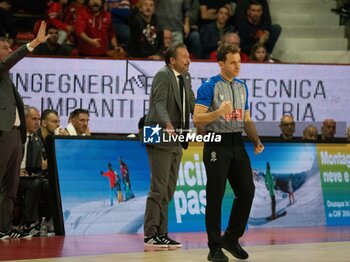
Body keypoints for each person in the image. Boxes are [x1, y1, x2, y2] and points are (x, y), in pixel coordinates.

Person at [193, 43, 264, 261]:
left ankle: (231, 237)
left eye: (239, 62)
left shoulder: (242, 86)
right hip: (217, 142)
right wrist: (218, 112)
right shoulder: (209, 86)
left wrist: (255, 139)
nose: (237, 66)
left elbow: (247, 118)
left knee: (247, 191)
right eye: (232, 62)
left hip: (237, 142)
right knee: (215, 195)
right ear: (221, 63)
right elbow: (197, 118)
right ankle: (214, 247)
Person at [0, 21, 49, 239]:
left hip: (14, 135)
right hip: (2, 133)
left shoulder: (6, 77)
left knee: (10, 187)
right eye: (4, 47)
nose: (9, 50)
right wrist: (33, 44)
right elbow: (10, 60)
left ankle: (5, 228)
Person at [143, 42, 195, 248]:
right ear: (172, 60)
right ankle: (150, 234)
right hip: (158, 132)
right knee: (158, 187)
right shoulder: (163, 75)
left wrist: (203, 117)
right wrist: (167, 123)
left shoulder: (187, 77)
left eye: (188, 55)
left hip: (177, 135)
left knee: (169, 189)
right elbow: (159, 103)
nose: (188, 59)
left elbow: (191, 102)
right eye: (184, 56)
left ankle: (162, 233)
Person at [18, 106, 46, 236]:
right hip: (11, 175)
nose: (37, 122)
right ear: (24, 119)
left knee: (50, 185)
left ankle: (49, 223)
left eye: (38, 119)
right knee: (35, 184)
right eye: (34, 119)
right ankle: (30, 223)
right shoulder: (14, 135)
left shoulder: (36, 139)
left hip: (29, 176)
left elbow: (37, 164)